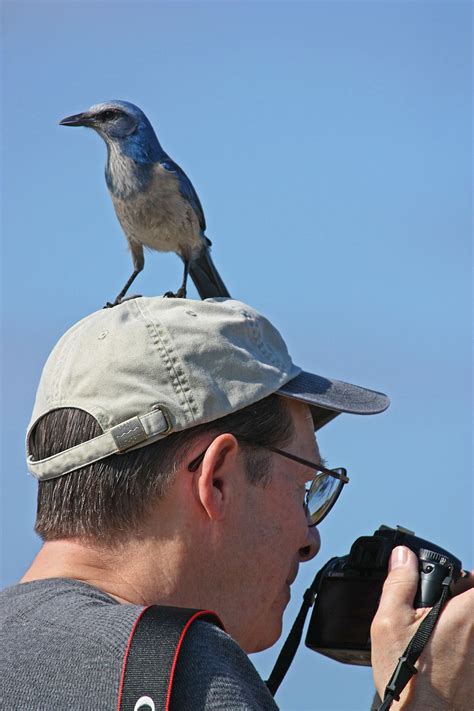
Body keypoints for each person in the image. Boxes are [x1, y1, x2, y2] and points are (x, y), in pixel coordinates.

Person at [1, 296, 472, 710]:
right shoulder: (189, 670)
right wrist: (430, 700)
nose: (311, 541)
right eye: (305, 487)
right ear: (218, 479)